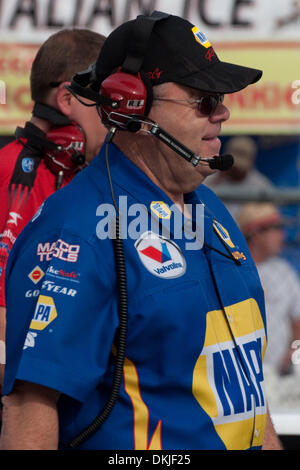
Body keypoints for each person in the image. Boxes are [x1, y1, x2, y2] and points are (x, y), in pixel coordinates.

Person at [0, 12, 282, 450]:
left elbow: (245, 395)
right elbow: (29, 414)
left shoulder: (211, 210)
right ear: (131, 105)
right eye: (204, 100)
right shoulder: (77, 231)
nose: (223, 112)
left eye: (222, 97)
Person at [0, 28, 107, 392]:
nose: (116, 114)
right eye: (105, 98)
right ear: (66, 99)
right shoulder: (8, 172)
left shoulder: (100, 180)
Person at [236, 202, 300, 375]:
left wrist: (295, 349)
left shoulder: (283, 270)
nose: (283, 235)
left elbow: (297, 320)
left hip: (280, 372)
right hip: (240, 372)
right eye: (276, 228)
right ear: (255, 233)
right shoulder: (231, 271)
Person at [205, 136, 274, 218]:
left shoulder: (260, 185)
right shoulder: (210, 177)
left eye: (240, 167)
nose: (236, 170)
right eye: (233, 166)